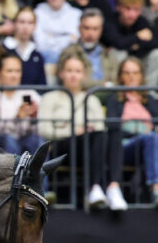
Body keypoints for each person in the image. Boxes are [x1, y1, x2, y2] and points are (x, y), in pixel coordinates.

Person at [37, 46, 115, 210]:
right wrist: (74, 131)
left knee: (100, 136)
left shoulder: (91, 99)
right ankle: (95, 188)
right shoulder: (49, 98)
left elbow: (99, 128)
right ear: (61, 73)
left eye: (78, 71)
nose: (73, 75)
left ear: (84, 74)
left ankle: (95, 189)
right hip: (59, 147)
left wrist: (84, 133)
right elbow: (43, 130)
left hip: (84, 146)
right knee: (92, 138)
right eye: (69, 70)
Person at [105, 56, 158, 209]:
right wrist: (141, 129)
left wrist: (138, 127)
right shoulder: (114, 99)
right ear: (120, 76)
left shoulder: (149, 100)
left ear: (141, 75)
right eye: (127, 73)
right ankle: (156, 188)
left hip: (149, 143)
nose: (131, 77)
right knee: (152, 137)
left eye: (135, 73)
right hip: (126, 146)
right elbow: (113, 126)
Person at [102, 0, 158, 87]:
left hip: (138, 62)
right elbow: (119, 43)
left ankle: (149, 92)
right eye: (128, 8)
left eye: (136, 9)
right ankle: (118, 91)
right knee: (119, 53)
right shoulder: (110, 21)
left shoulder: (141, 21)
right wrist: (138, 37)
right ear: (119, 7)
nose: (131, 15)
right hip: (114, 66)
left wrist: (135, 44)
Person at [33, 0, 81, 67]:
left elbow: (75, 44)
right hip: (43, 61)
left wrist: (50, 37)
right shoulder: (37, 13)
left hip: (70, 60)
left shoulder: (77, 15)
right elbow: (40, 45)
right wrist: (67, 38)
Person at [0, 6, 46, 86]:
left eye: (30, 23)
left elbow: (42, 86)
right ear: (14, 24)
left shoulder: (37, 56)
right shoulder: (2, 50)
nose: (25, 27)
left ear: (35, 26)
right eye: (22, 22)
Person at [76, 8, 119, 89]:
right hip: (81, 96)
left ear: (101, 30)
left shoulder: (108, 55)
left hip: (108, 96)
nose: (90, 33)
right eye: (86, 28)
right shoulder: (69, 53)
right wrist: (103, 85)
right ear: (79, 28)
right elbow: (74, 81)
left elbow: (115, 81)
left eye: (95, 29)